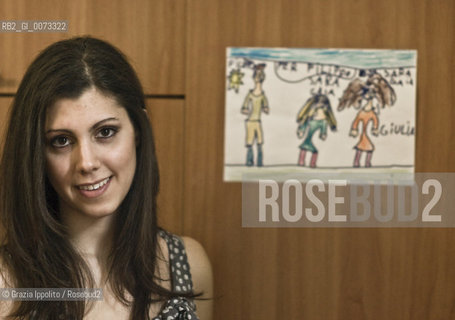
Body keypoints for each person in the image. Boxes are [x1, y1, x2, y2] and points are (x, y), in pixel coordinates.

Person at [0, 37, 212, 319]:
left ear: (139, 130)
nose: (86, 162)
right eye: (61, 141)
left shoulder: (188, 263)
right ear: (35, 153)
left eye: (106, 132)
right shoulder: (4, 283)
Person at [296, 94, 337, 168]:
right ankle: (306, 162)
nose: (321, 105)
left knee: (309, 149)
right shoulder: (310, 118)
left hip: (313, 130)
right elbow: (304, 123)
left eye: (323, 104)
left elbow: (324, 127)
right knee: (312, 150)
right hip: (310, 130)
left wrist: (323, 133)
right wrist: (301, 130)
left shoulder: (324, 121)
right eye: (319, 103)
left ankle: (307, 162)